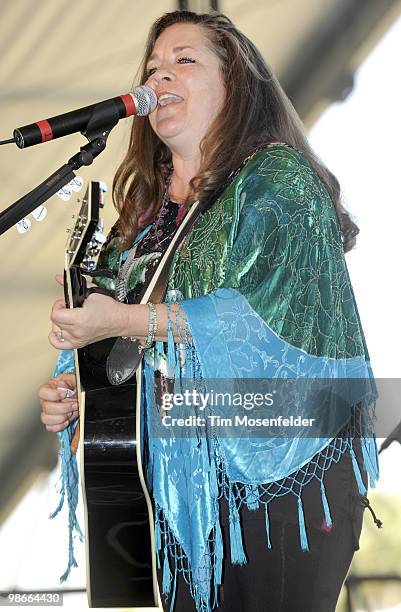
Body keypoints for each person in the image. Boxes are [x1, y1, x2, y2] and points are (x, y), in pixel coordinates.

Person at [38, 10, 382, 612]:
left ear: (236, 83)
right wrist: (80, 397)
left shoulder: (278, 179)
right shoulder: (138, 228)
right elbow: (122, 367)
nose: (159, 76)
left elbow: (255, 321)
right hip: (181, 486)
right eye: (152, 68)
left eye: (184, 61)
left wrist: (121, 321)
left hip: (286, 467)